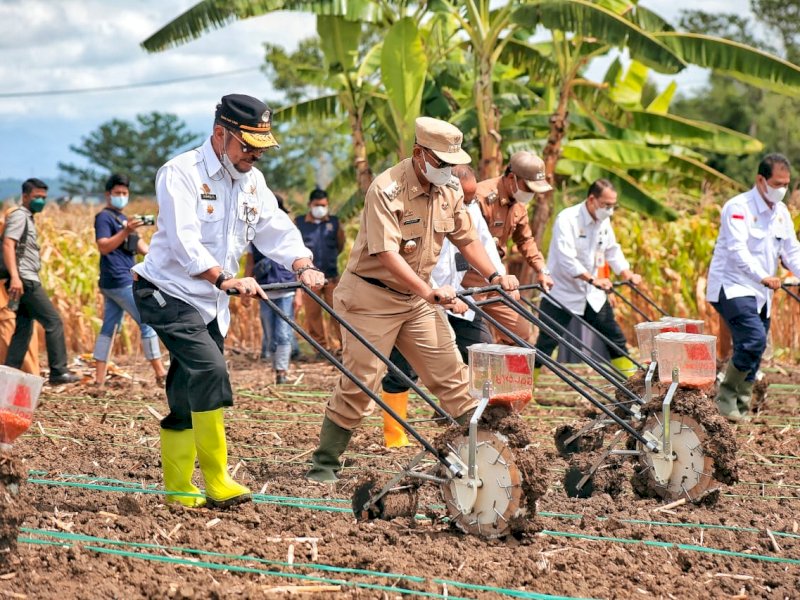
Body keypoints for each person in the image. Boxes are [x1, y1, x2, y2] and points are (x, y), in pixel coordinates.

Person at [132, 94, 324, 508]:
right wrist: (225, 279)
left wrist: (302, 263)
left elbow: (275, 228)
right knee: (210, 368)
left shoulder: (251, 181)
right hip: (168, 290)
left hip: (209, 302)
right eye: (247, 146)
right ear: (220, 134)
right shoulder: (181, 173)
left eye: (260, 148)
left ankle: (179, 488)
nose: (254, 156)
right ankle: (218, 479)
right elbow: (184, 242)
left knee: (187, 388)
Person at [306, 117, 520, 483]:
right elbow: (387, 254)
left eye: (452, 163)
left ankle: (487, 451)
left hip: (415, 298)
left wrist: (496, 276)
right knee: (361, 381)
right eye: (441, 162)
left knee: (451, 376)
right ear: (419, 154)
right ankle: (324, 462)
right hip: (370, 298)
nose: (448, 170)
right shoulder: (386, 190)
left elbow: (467, 240)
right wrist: (429, 292)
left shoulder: (450, 190)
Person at [379, 164, 503, 447]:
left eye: (473, 198)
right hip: (421, 299)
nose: (471, 203)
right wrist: (436, 293)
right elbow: (413, 261)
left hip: (461, 299)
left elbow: (482, 245)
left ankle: (474, 425)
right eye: (467, 197)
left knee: (481, 353)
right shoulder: (422, 209)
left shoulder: (469, 211)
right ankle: (394, 437)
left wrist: (499, 276)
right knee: (404, 369)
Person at [707, 153, 800, 422]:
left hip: (761, 293)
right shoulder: (738, 208)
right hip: (732, 286)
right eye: (777, 184)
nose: (782, 190)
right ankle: (725, 397)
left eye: (786, 184)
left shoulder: (781, 213)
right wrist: (763, 276)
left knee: (756, 348)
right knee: (754, 340)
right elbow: (737, 251)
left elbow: (792, 252)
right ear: (761, 180)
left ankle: (741, 406)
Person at [533, 179, 640, 379]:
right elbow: (566, 258)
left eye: (613, 206)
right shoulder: (567, 219)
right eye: (606, 205)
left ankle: (634, 386)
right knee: (546, 344)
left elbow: (611, 250)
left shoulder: (604, 221)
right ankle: (525, 393)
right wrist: (592, 279)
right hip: (562, 292)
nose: (609, 210)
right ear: (592, 199)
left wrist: (627, 274)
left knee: (615, 339)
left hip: (592, 294)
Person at [468, 151, 554, 345]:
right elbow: (470, 244)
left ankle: (503, 376)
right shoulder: (480, 198)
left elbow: (525, 240)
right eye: (528, 187)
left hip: (496, 283)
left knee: (520, 335)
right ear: (511, 177)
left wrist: (542, 269)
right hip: (468, 281)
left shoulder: (518, 202)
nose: (531, 194)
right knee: (475, 342)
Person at [1, 178, 79, 384]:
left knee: (23, 328)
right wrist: (16, 277)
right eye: (36, 197)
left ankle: (8, 375)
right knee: (53, 321)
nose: (40, 201)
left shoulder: (28, 217)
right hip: (25, 279)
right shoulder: (20, 215)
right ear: (25, 196)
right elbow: (8, 244)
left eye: (44, 198)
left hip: (22, 278)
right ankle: (58, 371)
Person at [91, 173, 167, 387]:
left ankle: (99, 380)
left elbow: (144, 249)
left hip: (114, 282)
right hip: (118, 279)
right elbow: (104, 246)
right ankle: (161, 373)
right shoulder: (104, 218)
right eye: (118, 193)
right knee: (147, 320)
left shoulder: (124, 219)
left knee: (109, 327)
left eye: (125, 193)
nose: (122, 196)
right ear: (108, 194)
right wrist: (126, 231)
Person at [244, 195, 303, 384]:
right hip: (265, 291)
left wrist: (299, 292)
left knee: (283, 332)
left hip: (287, 289)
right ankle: (276, 365)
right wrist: (245, 286)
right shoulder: (253, 234)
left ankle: (281, 372)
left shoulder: (289, 234)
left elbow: (299, 263)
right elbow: (250, 263)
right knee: (270, 335)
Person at [295, 187, 345, 354]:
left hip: (331, 277)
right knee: (313, 315)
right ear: (310, 204)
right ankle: (321, 349)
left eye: (323, 205)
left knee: (338, 314)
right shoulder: (300, 223)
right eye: (317, 205)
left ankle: (343, 348)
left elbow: (340, 245)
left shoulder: (334, 223)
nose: (320, 208)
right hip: (309, 279)